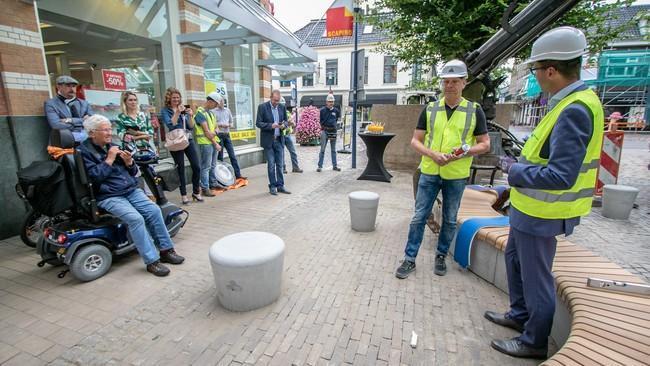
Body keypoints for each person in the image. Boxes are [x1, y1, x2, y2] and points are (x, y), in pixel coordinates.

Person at [485, 27, 604, 359]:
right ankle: (519, 315)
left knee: (537, 277)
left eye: (536, 69)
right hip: (529, 209)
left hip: (544, 213)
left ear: (551, 70)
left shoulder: (575, 109)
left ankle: (533, 340)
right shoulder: (565, 103)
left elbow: (561, 175)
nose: (535, 75)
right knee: (514, 261)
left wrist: (514, 170)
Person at [395, 59, 490, 279]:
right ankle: (409, 259)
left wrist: (463, 153)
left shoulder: (474, 110)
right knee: (419, 217)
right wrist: (433, 154)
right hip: (429, 171)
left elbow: (485, 143)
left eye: (455, 81)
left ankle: (440, 255)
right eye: (446, 81)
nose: (449, 86)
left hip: (456, 175)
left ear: (464, 83)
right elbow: (415, 141)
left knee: (449, 218)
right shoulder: (430, 108)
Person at [79, 114, 185, 277]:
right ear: (92, 133)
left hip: (130, 189)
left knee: (154, 211)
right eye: (104, 130)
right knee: (136, 219)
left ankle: (166, 250)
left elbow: (134, 172)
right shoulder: (83, 152)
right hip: (108, 195)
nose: (109, 133)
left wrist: (129, 163)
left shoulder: (112, 145)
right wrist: (109, 159)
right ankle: (152, 261)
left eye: (109, 129)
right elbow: (93, 178)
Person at [161, 87, 202, 204]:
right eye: (173, 97)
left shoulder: (184, 108)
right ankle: (184, 195)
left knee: (196, 166)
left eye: (178, 97)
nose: (176, 100)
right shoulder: (165, 111)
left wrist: (190, 115)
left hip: (187, 139)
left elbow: (191, 126)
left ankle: (196, 192)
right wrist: (177, 112)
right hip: (175, 141)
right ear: (169, 98)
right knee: (181, 168)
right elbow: (171, 125)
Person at [116, 91, 156, 198]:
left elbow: (150, 133)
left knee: (149, 172)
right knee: (135, 173)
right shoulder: (121, 117)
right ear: (125, 102)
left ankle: (151, 197)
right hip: (131, 150)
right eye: (130, 100)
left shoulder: (142, 116)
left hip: (145, 148)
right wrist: (142, 134)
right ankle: (139, 197)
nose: (133, 102)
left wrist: (135, 134)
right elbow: (123, 136)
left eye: (135, 100)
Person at [256, 89, 291, 195]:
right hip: (268, 141)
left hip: (279, 140)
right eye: (275, 100)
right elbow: (258, 123)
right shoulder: (262, 107)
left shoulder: (282, 107)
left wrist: (283, 125)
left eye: (278, 100)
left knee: (280, 165)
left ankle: (280, 186)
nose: (276, 103)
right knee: (271, 165)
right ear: (271, 98)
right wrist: (270, 126)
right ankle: (272, 186)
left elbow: (285, 121)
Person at [44, 75, 93, 143]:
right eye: (68, 86)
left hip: (86, 142)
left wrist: (70, 120)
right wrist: (82, 122)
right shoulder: (51, 103)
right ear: (59, 87)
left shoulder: (84, 103)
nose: (72, 89)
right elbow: (56, 125)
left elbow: (92, 122)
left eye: (73, 86)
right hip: (64, 143)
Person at [194, 92, 222, 197]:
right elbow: (207, 133)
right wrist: (215, 143)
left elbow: (216, 129)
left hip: (212, 142)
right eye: (215, 104)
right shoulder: (200, 113)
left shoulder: (210, 113)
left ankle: (213, 184)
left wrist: (214, 133)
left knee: (213, 165)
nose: (216, 106)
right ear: (210, 101)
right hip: (206, 144)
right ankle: (205, 188)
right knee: (206, 166)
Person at [212, 94, 246, 181]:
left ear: (224, 102)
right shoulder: (213, 111)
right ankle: (221, 178)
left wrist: (228, 125)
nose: (220, 103)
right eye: (219, 101)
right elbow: (212, 124)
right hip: (219, 135)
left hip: (227, 135)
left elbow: (232, 123)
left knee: (232, 156)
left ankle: (238, 175)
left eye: (222, 101)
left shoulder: (228, 111)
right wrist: (220, 125)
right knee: (220, 157)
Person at [317, 94, 341, 172]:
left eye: (332, 101)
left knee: (333, 150)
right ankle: (320, 166)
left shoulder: (336, 111)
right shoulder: (322, 110)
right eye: (329, 101)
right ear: (326, 102)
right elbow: (320, 121)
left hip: (333, 131)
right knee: (322, 149)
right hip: (325, 131)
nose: (331, 103)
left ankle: (335, 166)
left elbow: (336, 119)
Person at [280, 98, 303, 174]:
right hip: (281, 135)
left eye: (283, 104)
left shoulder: (287, 112)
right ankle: (283, 168)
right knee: (281, 153)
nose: (283, 106)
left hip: (287, 134)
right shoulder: (277, 113)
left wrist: (291, 123)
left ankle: (295, 167)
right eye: (281, 104)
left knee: (293, 151)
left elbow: (293, 123)